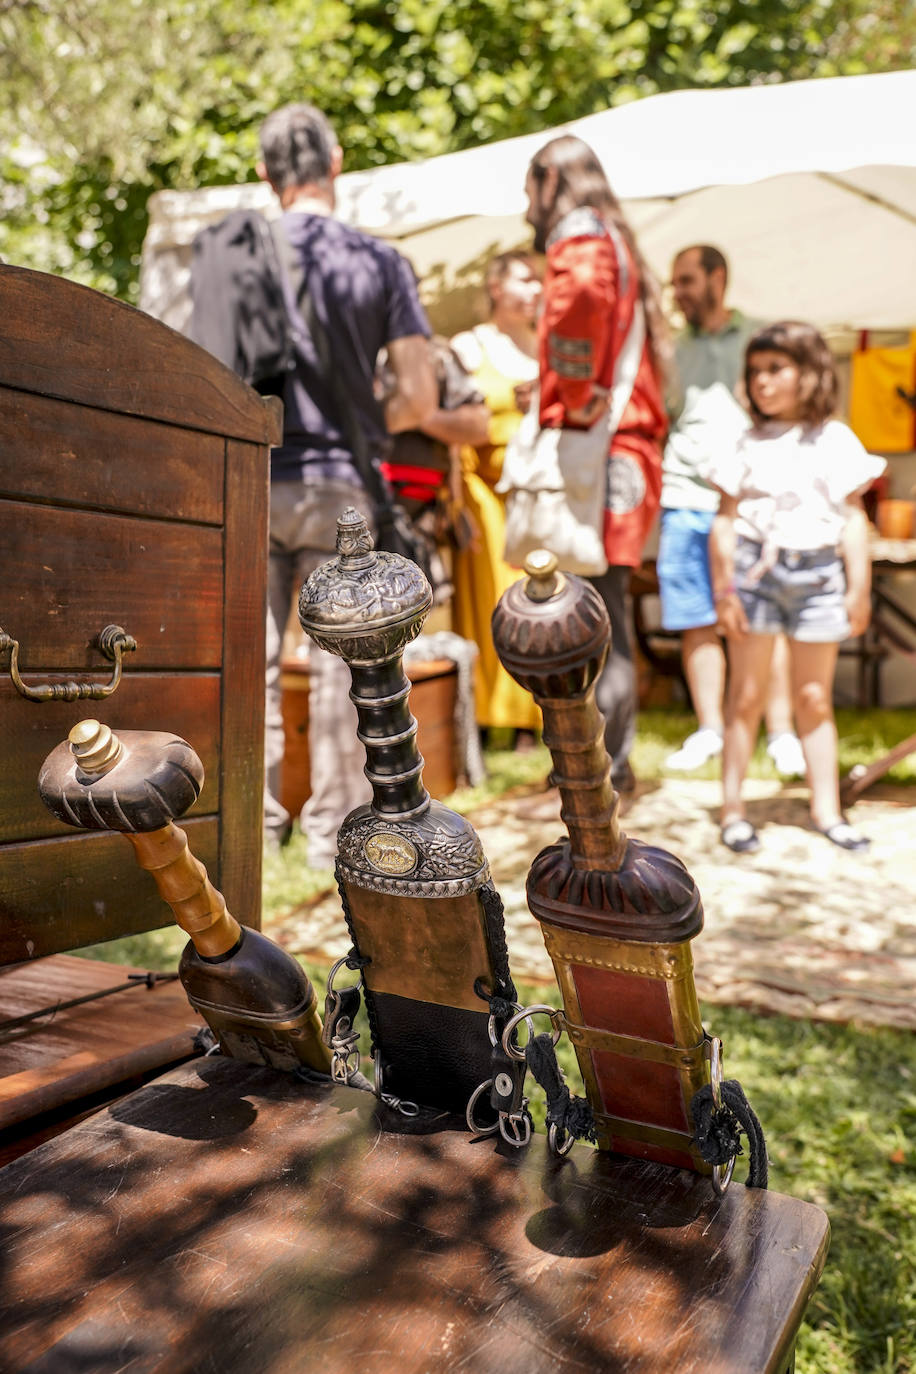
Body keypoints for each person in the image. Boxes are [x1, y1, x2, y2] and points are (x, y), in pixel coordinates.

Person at [254, 104, 436, 860]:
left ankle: (255, 826)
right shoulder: (381, 261)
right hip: (343, 486)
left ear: (266, 175)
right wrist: (370, 417)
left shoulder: (236, 258)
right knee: (342, 668)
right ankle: (333, 832)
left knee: (250, 664)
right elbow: (420, 396)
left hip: (251, 477)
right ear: (336, 164)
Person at [522, 136, 668, 791]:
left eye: (530, 189)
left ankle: (601, 767)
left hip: (603, 449)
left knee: (591, 611)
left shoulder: (581, 239)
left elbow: (577, 305)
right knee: (598, 606)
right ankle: (603, 763)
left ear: (551, 180)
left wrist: (572, 397)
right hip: (618, 450)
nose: (527, 206)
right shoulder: (611, 238)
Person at [708, 320, 886, 853]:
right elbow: (724, 520)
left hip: (818, 578)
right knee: (746, 695)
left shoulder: (834, 439)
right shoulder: (743, 442)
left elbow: (854, 518)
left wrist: (859, 587)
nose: (762, 381)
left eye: (775, 369)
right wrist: (724, 590)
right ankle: (733, 810)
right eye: (755, 371)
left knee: (813, 697)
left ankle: (827, 810)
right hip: (755, 577)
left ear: (809, 374)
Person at [660, 245, 805, 777]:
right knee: (694, 618)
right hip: (682, 496)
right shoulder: (671, 350)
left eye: (687, 281)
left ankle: (784, 732)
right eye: (674, 283)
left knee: (763, 619)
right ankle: (710, 730)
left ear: (719, 278)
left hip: (751, 504)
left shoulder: (762, 339)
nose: (678, 293)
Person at [450, 252, 544, 741]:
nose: (537, 289)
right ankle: (487, 719)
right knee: (493, 600)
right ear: (496, 286)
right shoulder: (470, 346)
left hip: (539, 489)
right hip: (483, 492)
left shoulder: (546, 345)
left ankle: (533, 718)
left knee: (537, 600)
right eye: (525, 278)